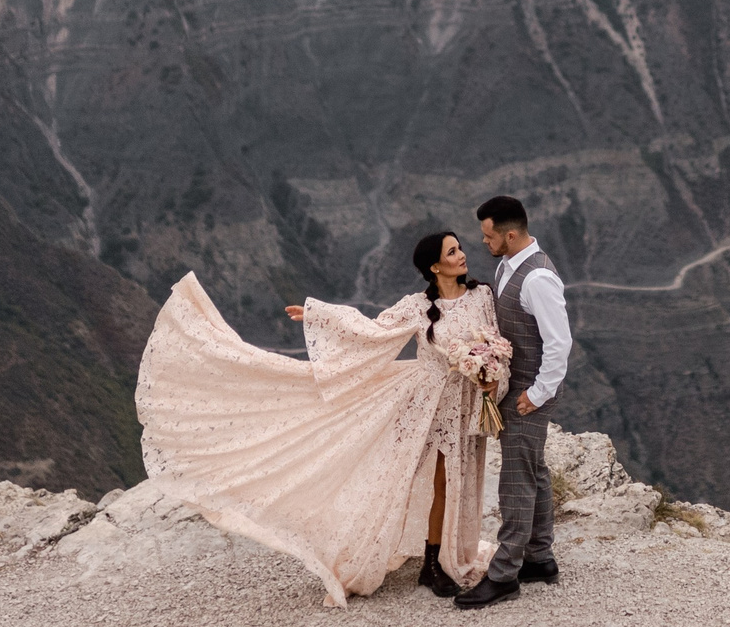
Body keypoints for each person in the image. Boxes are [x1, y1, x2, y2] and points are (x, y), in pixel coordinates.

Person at [133, 231, 505, 605]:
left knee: (458, 477)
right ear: (434, 266)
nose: (462, 255)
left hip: (467, 402)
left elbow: (495, 340)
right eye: (452, 251)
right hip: (424, 403)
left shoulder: (482, 296)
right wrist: (317, 315)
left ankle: (443, 551)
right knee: (432, 479)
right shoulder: (416, 306)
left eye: (459, 249)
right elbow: (370, 330)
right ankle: (431, 563)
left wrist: (491, 375)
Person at [454, 193, 571, 609]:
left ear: (509, 233)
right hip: (516, 388)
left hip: (528, 393)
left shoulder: (538, 279)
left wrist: (536, 395)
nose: (483, 244)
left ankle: (503, 575)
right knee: (534, 471)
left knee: (516, 481)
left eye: (488, 237)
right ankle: (539, 557)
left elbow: (560, 344)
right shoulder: (508, 266)